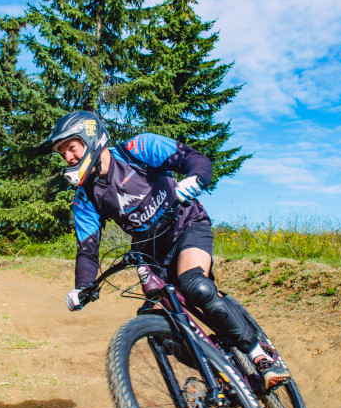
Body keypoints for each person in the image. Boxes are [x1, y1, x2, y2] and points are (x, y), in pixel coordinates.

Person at [39, 111, 290, 389]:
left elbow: (193, 158)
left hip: (186, 226)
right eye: (62, 153)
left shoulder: (138, 150)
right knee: (158, 325)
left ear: (91, 139)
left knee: (195, 285)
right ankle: (223, 373)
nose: (68, 158)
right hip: (149, 252)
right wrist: (83, 286)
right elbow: (87, 249)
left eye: (71, 148)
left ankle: (260, 355)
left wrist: (194, 178)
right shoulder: (85, 198)